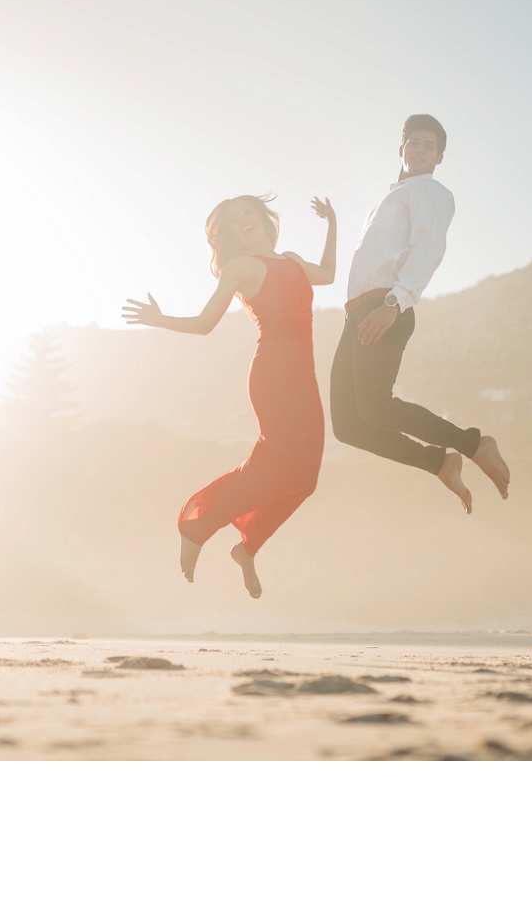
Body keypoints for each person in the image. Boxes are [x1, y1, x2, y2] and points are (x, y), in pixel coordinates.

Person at [123, 194, 335, 598]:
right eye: (235, 221)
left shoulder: (291, 261)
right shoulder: (240, 268)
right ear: (232, 236)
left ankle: (247, 547)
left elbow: (326, 273)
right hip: (273, 373)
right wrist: (159, 319)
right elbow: (205, 324)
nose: (244, 221)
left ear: (264, 219)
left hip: (304, 375)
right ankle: (198, 524)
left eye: (248, 213)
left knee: (305, 477)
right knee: (275, 460)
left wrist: (333, 223)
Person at [331, 114, 509, 512]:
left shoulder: (430, 192)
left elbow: (429, 250)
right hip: (357, 314)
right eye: (414, 142)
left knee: (375, 406)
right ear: (401, 148)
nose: (420, 149)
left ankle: (474, 444)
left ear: (439, 156)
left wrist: (394, 304)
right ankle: (439, 461)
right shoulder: (389, 198)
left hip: (386, 307)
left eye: (429, 146)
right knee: (348, 424)